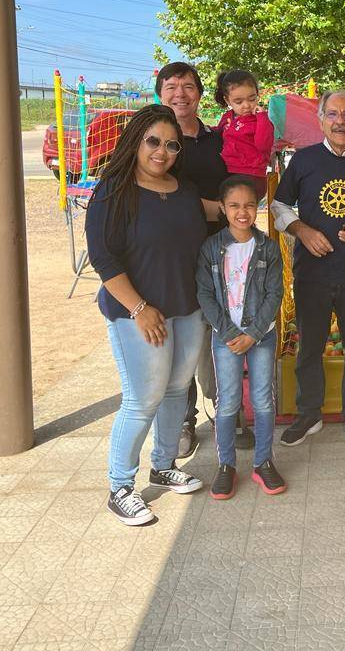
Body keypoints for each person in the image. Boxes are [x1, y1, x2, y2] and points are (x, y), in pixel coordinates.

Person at [85, 104, 207, 526]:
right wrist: (139, 308)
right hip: (136, 313)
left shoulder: (184, 190)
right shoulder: (112, 191)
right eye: (153, 141)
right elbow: (104, 260)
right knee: (143, 399)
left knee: (176, 390)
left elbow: (211, 219)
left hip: (187, 308)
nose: (162, 152)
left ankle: (164, 465)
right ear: (135, 141)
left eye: (172, 145)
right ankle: (120, 487)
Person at [271, 90, 345, 449]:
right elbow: (279, 205)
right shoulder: (303, 160)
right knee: (309, 346)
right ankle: (308, 413)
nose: (340, 121)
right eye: (332, 114)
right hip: (312, 272)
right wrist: (302, 230)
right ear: (321, 121)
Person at [196, 175, 285, 500]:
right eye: (234, 205)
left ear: (257, 206)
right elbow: (205, 295)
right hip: (226, 337)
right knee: (228, 401)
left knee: (263, 400)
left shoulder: (268, 248)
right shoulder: (211, 248)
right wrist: (231, 333)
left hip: (262, 336)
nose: (242, 212)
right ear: (222, 207)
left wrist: (253, 334)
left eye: (249, 205)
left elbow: (275, 294)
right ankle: (226, 465)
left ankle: (263, 462)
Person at [155, 61, 228, 458]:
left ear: (199, 94)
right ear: (160, 94)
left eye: (187, 86)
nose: (179, 93)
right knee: (181, 339)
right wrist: (212, 208)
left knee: (220, 332)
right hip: (175, 253)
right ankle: (183, 420)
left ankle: (224, 409)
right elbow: (158, 195)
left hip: (220, 250)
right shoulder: (155, 143)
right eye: (171, 86)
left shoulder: (218, 139)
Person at [214, 69, 275, 192]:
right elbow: (217, 134)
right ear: (227, 100)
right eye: (239, 102)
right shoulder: (227, 117)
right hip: (229, 171)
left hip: (252, 175)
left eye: (252, 99)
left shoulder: (260, 120)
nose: (246, 105)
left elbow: (263, 145)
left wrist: (262, 118)